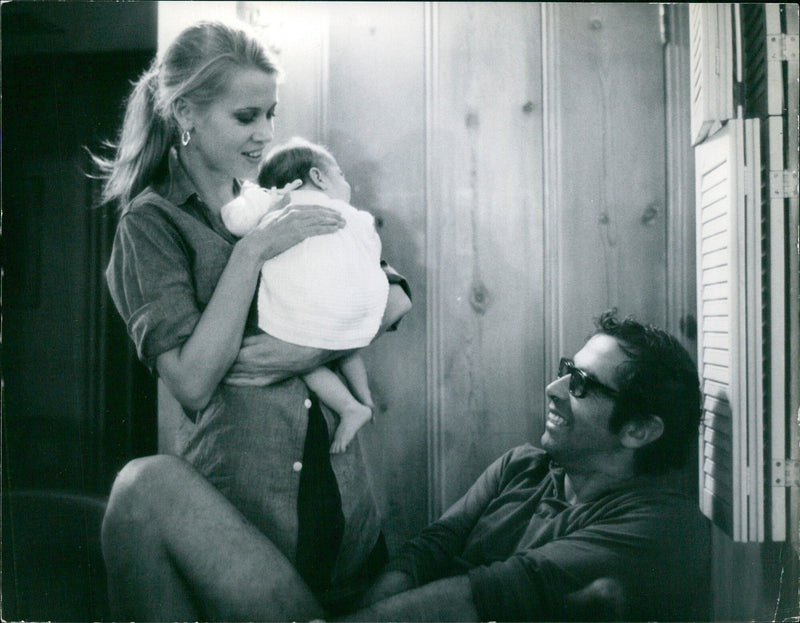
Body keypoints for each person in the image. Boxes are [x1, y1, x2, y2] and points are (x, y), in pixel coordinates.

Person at [101, 310, 711, 621]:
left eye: (580, 385)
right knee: (145, 488)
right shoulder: (525, 468)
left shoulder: (657, 528)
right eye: (565, 368)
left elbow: (474, 598)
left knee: (146, 492)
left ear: (639, 429)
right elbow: (430, 549)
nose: (553, 387)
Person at [95, 20, 412, 617]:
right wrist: (253, 251)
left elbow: (394, 297)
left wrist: (305, 351)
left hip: (349, 510)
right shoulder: (152, 223)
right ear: (186, 113)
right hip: (245, 513)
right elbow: (191, 380)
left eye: (271, 113)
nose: (266, 133)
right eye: (246, 117)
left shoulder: (277, 189)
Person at [220, 137, 389, 453]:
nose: (346, 182)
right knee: (346, 344)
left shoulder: (278, 206)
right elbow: (372, 250)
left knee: (305, 358)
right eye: (341, 174)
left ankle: (351, 407)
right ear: (319, 177)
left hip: (310, 314)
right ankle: (365, 398)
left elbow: (235, 221)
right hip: (360, 309)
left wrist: (250, 195)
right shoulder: (350, 215)